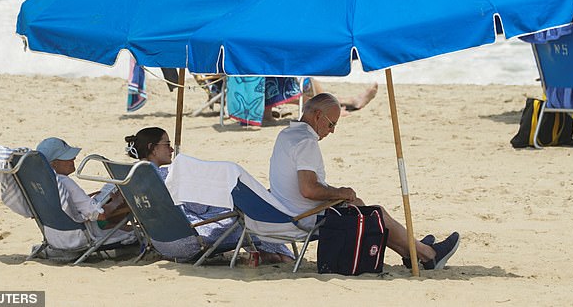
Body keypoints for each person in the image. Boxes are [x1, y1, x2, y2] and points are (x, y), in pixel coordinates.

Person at [268, 93, 460, 270]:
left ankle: (411, 252)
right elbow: (309, 189)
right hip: (302, 217)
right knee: (373, 213)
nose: (332, 131)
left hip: (283, 210)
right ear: (318, 116)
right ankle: (428, 255)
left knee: (362, 209)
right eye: (331, 124)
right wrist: (340, 192)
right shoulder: (306, 143)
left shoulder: (286, 135)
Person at [124, 127, 294, 264]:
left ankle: (267, 254)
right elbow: (198, 206)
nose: (170, 149)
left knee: (234, 213)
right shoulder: (170, 176)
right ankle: (285, 256)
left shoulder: (133, 176)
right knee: (246, 215)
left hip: (160, 243)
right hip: (187, 243)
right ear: (152, 148)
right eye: (166, 144)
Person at [35, 137, 136, 249]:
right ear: (54, 165)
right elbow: (99, 215)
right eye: (67, 158)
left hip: (54, 237)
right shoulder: (65, 182)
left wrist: (82, 200)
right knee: (133, 227)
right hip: (79, 238)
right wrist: (117, 201)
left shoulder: (42, 184)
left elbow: (59, 207)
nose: (73, 158)